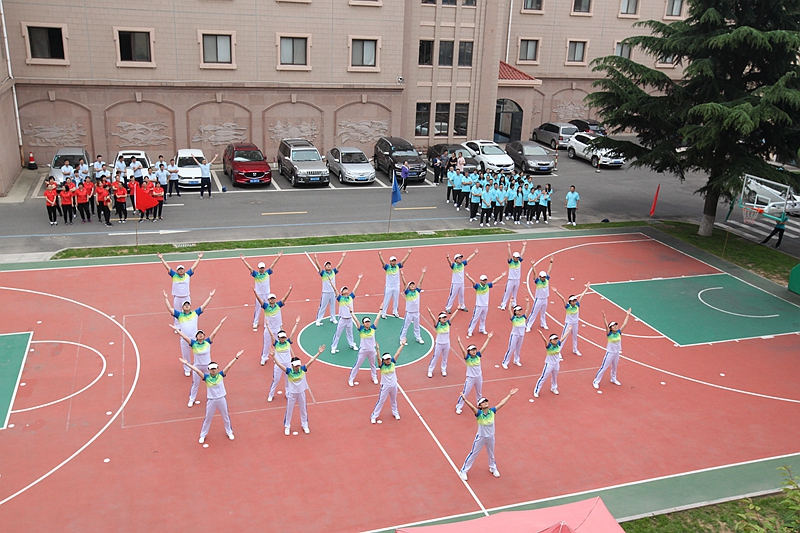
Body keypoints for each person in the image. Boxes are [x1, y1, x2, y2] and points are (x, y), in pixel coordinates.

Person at [180, 350, 243, 444]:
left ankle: (229, 431)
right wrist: (187, 364)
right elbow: (197, 370)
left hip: (221, 399)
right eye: (211, 369)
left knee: (226, 416)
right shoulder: (206, 378)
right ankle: (202, 435)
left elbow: (229, 366)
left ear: (217, 369)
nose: (213, 371)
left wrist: (236, 357)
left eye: (215, 369)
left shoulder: (221, 375)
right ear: (209, 370)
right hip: (211, 400)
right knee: (208, 418)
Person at [268, 335, 325, 435]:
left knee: (303, 410)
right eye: (295, 366)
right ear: (292, 365)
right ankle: (287, 426)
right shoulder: (289, 371)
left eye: (298, 365)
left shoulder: (303, 369)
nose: (297, 367)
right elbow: (280, 365)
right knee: (289, 411)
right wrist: (273, 356)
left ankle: (305, 425)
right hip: (292, 394)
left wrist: (318, 353)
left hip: (301, 393)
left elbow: (311, 361)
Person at [457, 388, 518, 481]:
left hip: (491, 436)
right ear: (480, 406)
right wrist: (465, 399)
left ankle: (493, 468)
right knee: (473, 454)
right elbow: (472, 408)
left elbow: (501, 403)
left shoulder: (492, 411)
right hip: (481, 437)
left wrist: (509, 395)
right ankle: (463, 471)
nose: (485, 403)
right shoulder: (479, 414)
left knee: (491, 454)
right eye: (483, 402)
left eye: (486, 401)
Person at [172, 317, 227, 407]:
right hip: (197, 366)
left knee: (212, 383)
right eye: (199, 334)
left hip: (208, 367)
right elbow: (185, 337)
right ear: (196, 337)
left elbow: (214, 333)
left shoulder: (208, 342)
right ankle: (191, 399)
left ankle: (214, 397)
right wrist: (177, 330)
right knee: (195, 383)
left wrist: (220, 323)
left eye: (202, 334)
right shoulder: (193, 344)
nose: (200, 335)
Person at [163, 290, 216, 375]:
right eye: (185, 305)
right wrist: (166, 298)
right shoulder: (179, 315)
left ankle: (198, 366)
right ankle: (187, 369)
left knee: (198, 354)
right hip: (184, 338)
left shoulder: (195, 313)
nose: (187, 306)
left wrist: (210, 296)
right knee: (186, 355)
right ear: (182, 308)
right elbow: (169, 309)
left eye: (188, 304)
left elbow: (204, 306)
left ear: (190, 306)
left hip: (195, 339)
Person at [158, 252, 203, 330]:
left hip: (186, 296)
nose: (181, 271)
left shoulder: (187, 275)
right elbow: (167, 267)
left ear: (184, 270)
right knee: (177, 312)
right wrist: (162, 259)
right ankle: (177, 327)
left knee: (187, 311)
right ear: (177, 271)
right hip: (177, 297)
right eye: (179, 270)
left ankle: (187, 325)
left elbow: (194, 267)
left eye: (182, 269)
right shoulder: (174, 275)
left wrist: (199, 258)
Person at [240, 252, 283, 330]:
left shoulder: (267, 273)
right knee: (258, 308)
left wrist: (278, 257)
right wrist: (243, 260)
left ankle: (266, 323)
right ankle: (255, 322)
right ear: (258, 268)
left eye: (263, 268)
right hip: (259, 294)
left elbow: (273, 264)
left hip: (267, 294)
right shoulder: (256, 274)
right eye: (261, 268)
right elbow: (249, 268)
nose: (262, 269)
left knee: (268, 309)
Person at [254, 285, 293, 365]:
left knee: (278, 344)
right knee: (266, 344)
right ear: (268, 300)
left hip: (278, 328)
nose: (272, 300)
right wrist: (255, 292)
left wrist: (289, 290)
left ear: (275, 299)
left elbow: (284, 298)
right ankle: (264, 358)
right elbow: (259, 300)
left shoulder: (278, 305)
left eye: (273, 298)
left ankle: (277, 358)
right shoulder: (266, 306)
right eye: (271, 299)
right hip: (269, 328)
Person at [593, 308, 632, 389]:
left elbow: (624, 324)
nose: (615, 326)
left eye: (616, 325)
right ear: (610, 328)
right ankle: (596, 381)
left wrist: (627, 315)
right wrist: (604, 318)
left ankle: (613, 378)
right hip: (610, 352)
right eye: (613, 326)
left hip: (617, 352)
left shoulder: (619, 332)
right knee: (604, 367)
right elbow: (606, 326)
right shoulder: (609, 334)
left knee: (615, 366)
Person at [455, 333, 492, 414]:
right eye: (472, 350)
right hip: (470, 378)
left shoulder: (478, 355)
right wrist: (459, 342)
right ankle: (459, 406)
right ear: (469, 352)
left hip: (479, 377)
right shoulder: (467, 358)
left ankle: (480, 405)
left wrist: (488, 338)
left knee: (479, 392)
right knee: (465, 393)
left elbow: (484, 347)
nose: (474, 351)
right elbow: (463, 351)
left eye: (474, 349)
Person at [267, 317, 301, 402]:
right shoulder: (276, 344)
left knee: (288, 380)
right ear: (278, 338)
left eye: (284, 337)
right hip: (278, 365)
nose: (282, 339)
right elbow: (271, 335)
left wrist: (296, 323)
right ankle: (271, 394)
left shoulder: (288, 342)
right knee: (276, 380)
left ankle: (287, 393)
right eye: (281, 338)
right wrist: (267, 326)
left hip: (288, 364)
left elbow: (293, 333)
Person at [464, 271, 506, 338]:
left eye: (486, 280)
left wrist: (502, 276)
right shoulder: (478, 286)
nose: (485, 281)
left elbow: (494, 281)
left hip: (485, 306)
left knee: (483, 318)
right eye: (483, 280)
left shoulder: (487, 286)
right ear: (481, 281)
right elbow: (473, 282)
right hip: (478, 306)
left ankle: (482, 329)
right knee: (475, 319)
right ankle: (470, 330)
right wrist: (468, 276)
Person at [370, 343, 405, 423]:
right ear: (383, 360)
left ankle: (395, 412)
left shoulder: (392, 362)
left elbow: (398, 353)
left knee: (394, 400)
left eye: (389, 359)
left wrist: (402, 345)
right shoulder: (382, 366)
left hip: (394, 385)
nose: (388, 360)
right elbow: (378, 358)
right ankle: (374, 416)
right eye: (386, 359)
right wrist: (377, 349)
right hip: (385, 386)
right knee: (381, 401)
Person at [533, 327, 572, 398]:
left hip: (556, 364)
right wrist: (542, 335)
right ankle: (536, 390)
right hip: (549, 364)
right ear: (551, 340)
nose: (556, 340)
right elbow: (545, 341)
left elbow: (563, 337)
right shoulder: (549, 346)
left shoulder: (558, 344)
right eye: (554, 339)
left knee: (554, 377)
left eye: (556, 339)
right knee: (543, 377)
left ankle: (554, 388)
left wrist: (569, 330)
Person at [348, 309, 382, 387]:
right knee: (357, 365)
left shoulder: (373, 328)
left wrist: (380, 310)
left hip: (371, 350)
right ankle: (351, 379)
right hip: (363, 350)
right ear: (363, 323)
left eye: (368, 321)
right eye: (366, 322)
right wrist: (351, 313)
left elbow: (377, 318)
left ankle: (374, 377)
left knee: (373, 365)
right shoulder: (361, 329)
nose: (368, 323)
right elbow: (356, 320)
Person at [553, 283, 590, 356]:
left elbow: (582, 295)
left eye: (575, 300)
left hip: (575, 323)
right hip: (568, 323)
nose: (574, 302)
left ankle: (575, 350)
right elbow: (563, 299)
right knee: (564, 337)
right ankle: (558, 351)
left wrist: (587, 288)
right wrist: (557, 292)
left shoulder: (577, 305)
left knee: (575, 337)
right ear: (570, 301)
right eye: (573, 301)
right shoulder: (567, 306)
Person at [330, 274, 362, 354]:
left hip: (350, 319)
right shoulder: (340, 298)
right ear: (341, 292)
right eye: (344, 290)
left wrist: (359, 279)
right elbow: (335, 290)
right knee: (337, 334)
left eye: (346, 289)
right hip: (342, 319)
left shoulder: (351, 297)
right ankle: (333, 347)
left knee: (350, 333)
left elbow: (355, 288)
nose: (346, 290)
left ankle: (352, 344)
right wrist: (331, 282)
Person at [312, 252, 346, 326]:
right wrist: (316, 259)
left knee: (333, 306)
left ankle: (333, 318)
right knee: (322, 306)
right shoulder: (323, 273)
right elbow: (318, 267)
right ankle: (318, 320)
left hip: (333, 292)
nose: (328, 266)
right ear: (325, 267)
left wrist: (343, 257)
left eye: (329, 265)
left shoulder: (333, 272)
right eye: (327, 265)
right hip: (325, 292)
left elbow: (339, 265)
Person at [425, 306, 459, 378]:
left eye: (445, 317)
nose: (444, 319)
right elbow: (433, 319)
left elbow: (453, 317)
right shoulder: (437, 325)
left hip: (447, 343)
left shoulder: (448, 324)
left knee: (445, 357)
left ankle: (443, 369)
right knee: (435, 357)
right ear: (439, 319)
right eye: (443, 317)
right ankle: (430, 370)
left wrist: (457, 309)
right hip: (439, 344)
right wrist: (430, 312)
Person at [379, 249, 412, 319]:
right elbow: (383, 262)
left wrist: (408, 253)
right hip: (389, 287)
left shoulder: (398, 266)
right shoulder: (387, 267)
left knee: (396, 300)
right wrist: (380, 255)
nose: (394, 262)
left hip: (396, 286)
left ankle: (395, 311)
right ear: (390, 262)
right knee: (386, 300)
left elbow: (403, 261)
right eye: (392, 261)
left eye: (394, 261)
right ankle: (384, 312)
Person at [398, 268, 426, 345]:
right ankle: (402, 339)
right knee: (405, 326)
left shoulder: (417, 291)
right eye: (411, 285)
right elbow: (404, 284)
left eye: (413, 285)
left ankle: (418, 338)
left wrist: (423, 273)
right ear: (409, 287)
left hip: (416, 312)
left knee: (417, 326)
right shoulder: (407, 292)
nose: (413, 286)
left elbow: (420, 282)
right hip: (409, 313)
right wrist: (402, 275)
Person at [445, 249, 478, 314]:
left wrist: (474, 253)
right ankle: (448, 307)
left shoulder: (462, 264)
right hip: (455, 283)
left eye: (461, 258)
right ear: (455, 260)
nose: (460, 259)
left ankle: (462, 306)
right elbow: (450, 263)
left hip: (461, 283)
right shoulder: (454, 265)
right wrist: (448, 258)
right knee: (452, 295)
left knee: (461, 295)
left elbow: (469, 259)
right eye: (459, 258)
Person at [501, 297, 531, 369]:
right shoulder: (513, 318)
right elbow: (509, 310)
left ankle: (516, 360)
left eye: (520, 310)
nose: (520, 311)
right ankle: (505, 362)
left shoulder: (523, 317)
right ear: (515, 311)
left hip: (521, 335)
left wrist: (527, 302)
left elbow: (527, 309)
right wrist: (510, 302)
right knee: (511, 349)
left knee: (518, 349)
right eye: (518, 310)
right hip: (514, 335)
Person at [526, 257, 554, 332]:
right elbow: (534, 273)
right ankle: (528, 325)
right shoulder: (537, 281)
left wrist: (551, 262)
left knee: (543, 312)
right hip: (538, 299)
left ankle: (543, 324)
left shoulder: (547, 280)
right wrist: (533, 265)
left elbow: (549, 270)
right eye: (542, 277)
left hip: (545, 299)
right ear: (540, 277)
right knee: (534, 313)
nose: (544, 278)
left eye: (544, 277)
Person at [499, 242, 527, 310]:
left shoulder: (519, 261)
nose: (517, 258)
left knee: (515, 292)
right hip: (511, 279)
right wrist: (508, 247)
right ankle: (503, 304)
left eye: (518, 257)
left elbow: (522, 253)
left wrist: (524, 245)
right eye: (516, 257)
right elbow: (509, 255)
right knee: (507, 292)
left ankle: (514, 303)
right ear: (513, 257)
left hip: (517, 279)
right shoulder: (511, 262)